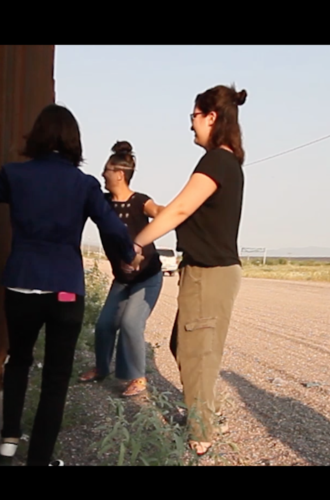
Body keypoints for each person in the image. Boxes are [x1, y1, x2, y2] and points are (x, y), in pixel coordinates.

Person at [0, 104, 138, 466]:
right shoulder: (84, 184)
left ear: (37, 136)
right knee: (55, 379)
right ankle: (39, 459)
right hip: (65, 290)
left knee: (19, 360)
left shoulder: (13, 175)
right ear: (74, 141)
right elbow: (113, 227)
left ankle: (7, 446)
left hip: (21, 283)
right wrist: (128, 255)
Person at [129, 84, 247, 456]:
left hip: (210, 273)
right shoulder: (227, 162)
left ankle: (201, 433)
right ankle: (207, 414)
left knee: (197, 353)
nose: (191, 125)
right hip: (210, 271)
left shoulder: (216, 161)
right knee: (186, 345)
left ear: (211, 117)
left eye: (193, 116)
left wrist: (138, 242)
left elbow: (180, 209)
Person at [78, 141, 166, 398]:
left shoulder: (140, 201)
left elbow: (160, 212)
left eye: (106, 169)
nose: (102, 174)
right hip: (122, 279)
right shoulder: (103, 202)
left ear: (119, 174)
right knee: (105, 324)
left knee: (130, 323)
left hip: (147, 277)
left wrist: (177, 213)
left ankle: (137, 378)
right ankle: (102, 368)